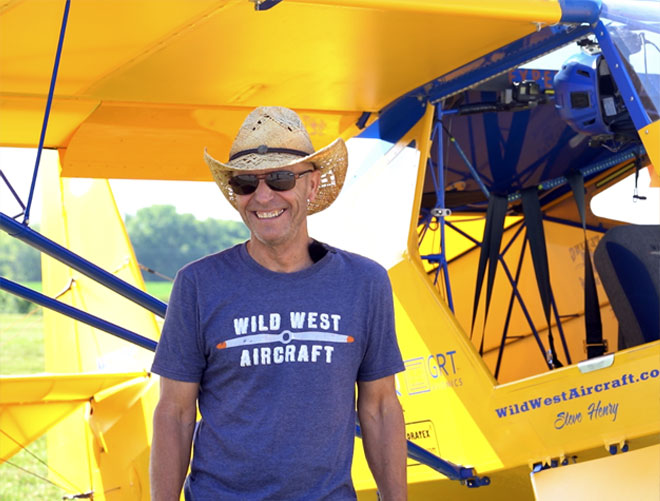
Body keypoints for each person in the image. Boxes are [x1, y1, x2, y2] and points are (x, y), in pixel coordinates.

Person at [150, 106, 407, 500]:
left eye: (281, 178)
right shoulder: (196, 284)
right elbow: (175, 413)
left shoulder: (365, 282)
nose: (263, 196)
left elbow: (381, 408)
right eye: (246, 184)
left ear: (312, 184)